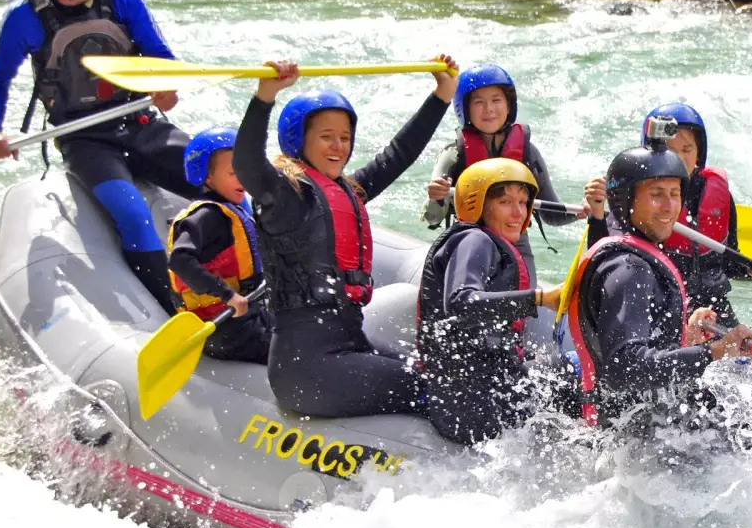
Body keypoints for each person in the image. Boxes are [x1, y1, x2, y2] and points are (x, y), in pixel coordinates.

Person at [0, 0, 195, 314]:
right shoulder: (25, 16)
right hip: (85, 138)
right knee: (132, 214)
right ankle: (177, 310)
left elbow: (161, 57)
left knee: (222, 174)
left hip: (140, 121)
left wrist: (165, 84)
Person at [232, 57, 458, 418]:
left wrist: (441, 96)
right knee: (435, 390)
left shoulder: (346, 190)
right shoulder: (284, 195)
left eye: (345, 138)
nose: (338, 146)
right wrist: (265, 96)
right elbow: (245, 163)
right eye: (326, 137)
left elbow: (397, 155)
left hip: (348, 344)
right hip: (308, 369)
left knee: (442, 373)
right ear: (298, 139)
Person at [562, 141, 752, 428]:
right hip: (635, 442)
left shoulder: (634, 257)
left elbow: (646, 351)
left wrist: (687, 338)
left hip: (649, 427)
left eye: (674, 194)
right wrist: (714, 351)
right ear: (625, 200)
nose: (670, 206)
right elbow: (624, 367)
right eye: (656, 195)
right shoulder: (629, 269)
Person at [417, 159, 564, 445]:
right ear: (478, 204)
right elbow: (462, 303)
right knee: (572, 384)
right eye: (505, 202)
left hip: (479, 388)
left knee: (564, 371)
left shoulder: (485, 241)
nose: (518, 212)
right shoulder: (474, 240)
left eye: (522, 202)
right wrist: (540, 299)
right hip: (470, 403)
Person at [585, 104, 752, 327]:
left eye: (687, 150)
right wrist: (597, 215)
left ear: (699, 154)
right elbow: (604, 263)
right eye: (670, 150)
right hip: (663, 308)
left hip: (714, 308)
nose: (679, 158)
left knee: (748, 356)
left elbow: (727, 263)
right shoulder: (637, 197)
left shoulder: (718, 195)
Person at [421, 63, 582, 279]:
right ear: (465, 108)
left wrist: (580, 211)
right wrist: (436, 198)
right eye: (479, 102)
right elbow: (433, 219)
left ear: (509, 106)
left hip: (516, 243)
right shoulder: (454, 155)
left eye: (496, 100)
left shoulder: (528, 153)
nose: (489, 109)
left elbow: (551, 215)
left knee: (526, 305)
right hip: (468, 240)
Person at [166, 127, 270, 364]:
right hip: (225, 330)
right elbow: (180, 260)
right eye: (234, 173)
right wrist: (227, 295)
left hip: (247, 317)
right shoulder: (206, 216)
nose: (243, 178)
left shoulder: (232, 211)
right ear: (207, 177)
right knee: (297, 351)